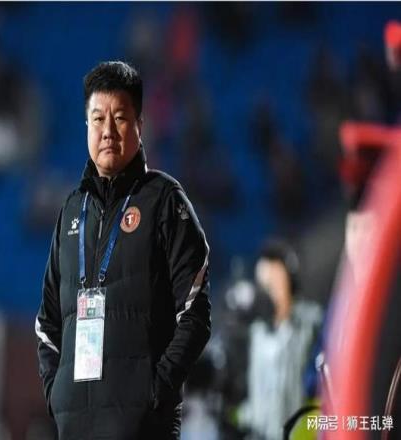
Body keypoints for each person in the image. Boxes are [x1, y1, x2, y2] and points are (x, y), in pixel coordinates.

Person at [35, 61, 211, 440]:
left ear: (140, 125)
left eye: (120, 118)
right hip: (74, 426)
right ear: (86, 125)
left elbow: (196, 313)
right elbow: (47, 323)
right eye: (98, 119)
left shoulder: (164, 200)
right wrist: (57, 394)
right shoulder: (71, 211)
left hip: (141, 428)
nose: (108, 131)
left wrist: (153, 393)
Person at [237, 239, 322, 440]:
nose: (268, 292)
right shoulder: (255, 332)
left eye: (274, 282)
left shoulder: (312, 323)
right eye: (263, 285)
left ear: (290, 281)